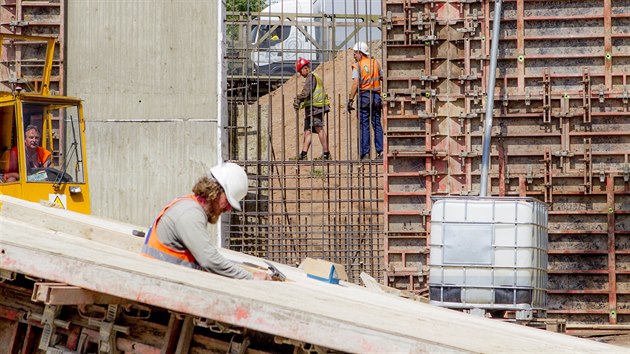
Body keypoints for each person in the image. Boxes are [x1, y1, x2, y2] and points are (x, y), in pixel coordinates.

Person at [141, 162, 271, 280]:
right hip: (158, 286)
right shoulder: (190, 214)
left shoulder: (188, 205)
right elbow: (209, 260)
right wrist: (251, 278)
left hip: (160, 281)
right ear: (216, 191)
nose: (228, 209)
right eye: (228, 202)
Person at [347, 41, 384, 160]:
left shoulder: (358, 66)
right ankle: (381, 152)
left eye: (355, 53)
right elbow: (383, 77)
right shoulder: (376, 63)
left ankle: (366, 154)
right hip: (377, 98)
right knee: (377, 124)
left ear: (360, 53)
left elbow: (355, 84)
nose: (354, 56)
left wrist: (350, 100)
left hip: (364, 97)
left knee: (364, 125)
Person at [293, 57, 331, 161]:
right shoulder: (313, 77)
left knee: (319, 129)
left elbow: (306, 92)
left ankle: (327, 154)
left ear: (305, 68)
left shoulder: (311, 77)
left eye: (300, 71)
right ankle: (303, 155)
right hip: (311, 108)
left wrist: (299, 99)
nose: (300, 74)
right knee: (307, 131)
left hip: (316, 107)